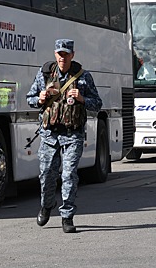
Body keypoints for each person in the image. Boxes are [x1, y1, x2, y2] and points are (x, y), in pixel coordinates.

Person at [26, 39, 102, 233]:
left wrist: (82, 99)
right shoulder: (44, 75)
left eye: (66, 54)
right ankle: (46, 205)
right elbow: (30, 99)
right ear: (55, 55)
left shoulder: (84, 77)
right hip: (50, 134)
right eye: (60, 54)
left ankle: (67, 216)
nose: (63, 57)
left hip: (72, 134)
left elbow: (97, 104)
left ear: (72, 55)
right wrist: (40, 98)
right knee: (47, 175)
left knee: (68, 175)